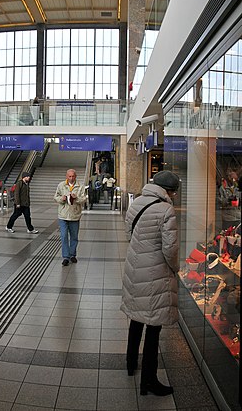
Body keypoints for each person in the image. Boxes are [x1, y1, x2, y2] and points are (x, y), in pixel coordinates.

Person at [121, 170, 180, 397]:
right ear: (168, 190)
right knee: (153, 328)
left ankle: (130, 363)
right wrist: (175, 268)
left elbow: (129, 233)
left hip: (134, 268)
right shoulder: (166, 209)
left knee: (136, 319)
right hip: (155, 273)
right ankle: (149, 381)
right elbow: (170, 248)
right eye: (174, 192)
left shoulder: (137, 202)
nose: (174, 196)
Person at [54, 169, 87, 265]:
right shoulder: (61, 185)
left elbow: (84, 199)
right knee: (64, 236)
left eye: (73, 176)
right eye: (69, 176)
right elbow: (56, 197)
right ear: (66, 176)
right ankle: (65, 257)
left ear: (76, 176)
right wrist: (61, 198)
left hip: (74, 215)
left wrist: (76, 198)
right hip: (63, 215)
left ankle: (72, 255)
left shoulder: (80, 186)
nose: (71, 178)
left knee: (74, 236)